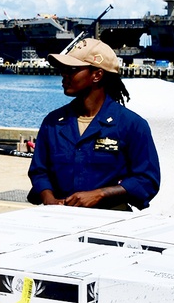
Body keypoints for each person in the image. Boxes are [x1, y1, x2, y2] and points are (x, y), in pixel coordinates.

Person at [27, 38, 161, 210]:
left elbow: (147, 180)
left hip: (109, 220)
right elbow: (39, 171)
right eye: (63, 69)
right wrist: (49, 199)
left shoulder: (131, 125)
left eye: (72, 70)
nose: (64, 74)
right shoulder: (53, 122)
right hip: (58, 218)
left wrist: (101, 194)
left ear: (97, 75)